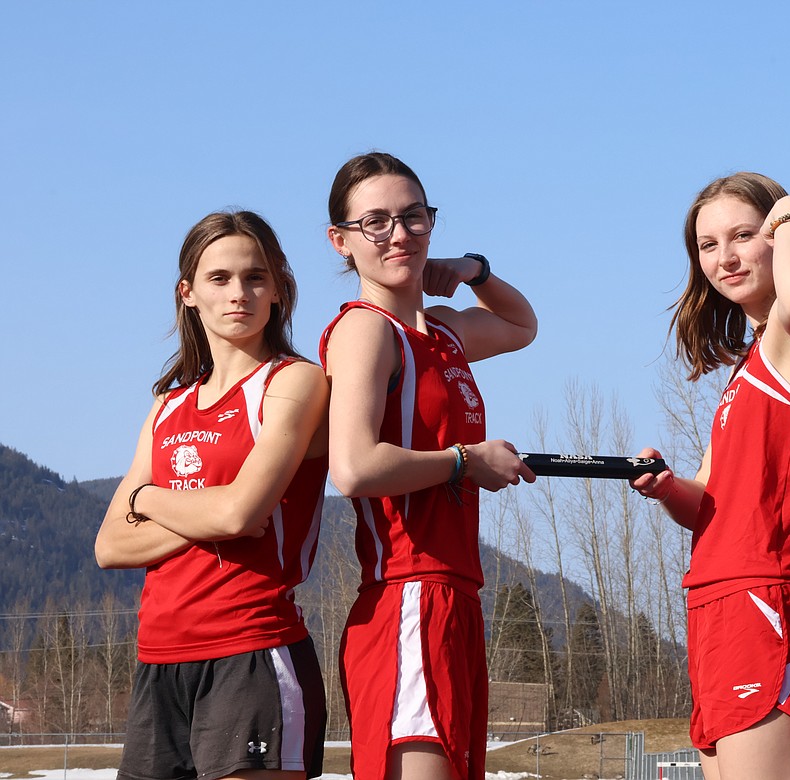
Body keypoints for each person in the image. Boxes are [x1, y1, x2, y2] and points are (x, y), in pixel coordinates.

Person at [319, 151, 537, 780]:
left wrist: (473, 270)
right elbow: (354, 466)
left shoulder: (439, 330)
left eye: (413, 217)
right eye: (375, 222)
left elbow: (522, 325)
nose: (398, 234)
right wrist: (465, 462)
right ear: (341, 241)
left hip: (454, 593)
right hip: (407, 593)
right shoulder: (366, 329)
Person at [630, 172, 790, 779]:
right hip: (717, 608)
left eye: (743, 235)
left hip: (770, 601)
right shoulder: (752, 364)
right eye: (707, 245)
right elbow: (706, 504)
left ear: (780, 237)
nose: (724, 258)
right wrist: (666, 486)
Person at [95, 210, 330, 780]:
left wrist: (148, 499)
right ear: (189, 293)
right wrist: (207, 511)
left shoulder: (294, 381)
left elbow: (240, 512)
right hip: (158, 659)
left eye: (255, 276)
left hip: (252, 649)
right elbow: (109, 546)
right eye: (219, 278)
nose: (239, 293)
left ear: (278, 288)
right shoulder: (168, 405)